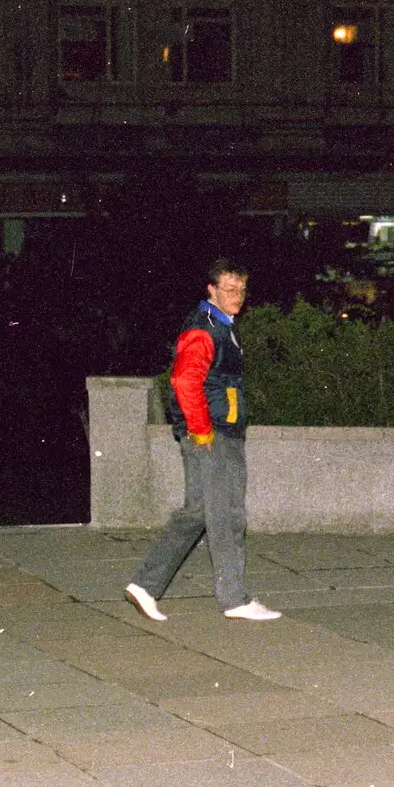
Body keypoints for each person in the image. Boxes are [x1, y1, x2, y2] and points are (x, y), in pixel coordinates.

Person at [125, 258, 280, 623]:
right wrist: (202, 431)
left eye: (241, 289)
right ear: (211, 290)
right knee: (226, 514)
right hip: (213, 434)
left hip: (211, 431)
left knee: (198, 512)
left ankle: (146, 585)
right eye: (229, 289)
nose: (237, 296)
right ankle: (234, 599)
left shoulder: (219, 325)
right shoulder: (205, 329)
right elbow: (183, 381)